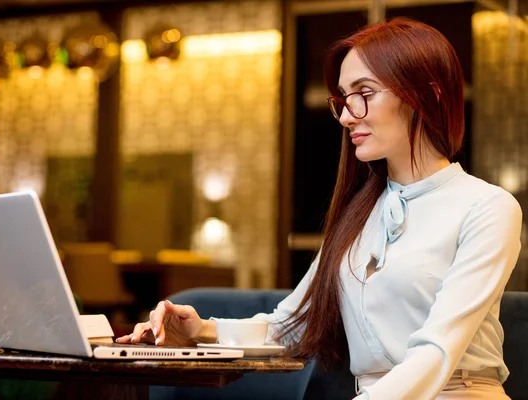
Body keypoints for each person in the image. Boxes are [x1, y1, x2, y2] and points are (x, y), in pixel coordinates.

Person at [117, 17, 522, 399]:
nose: (347, 116)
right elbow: (288, 328)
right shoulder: (356, 216)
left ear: (427, 95)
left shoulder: (488, 207)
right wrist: (200, 330)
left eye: (363, 94)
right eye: (343, 99)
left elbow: (436, 351)